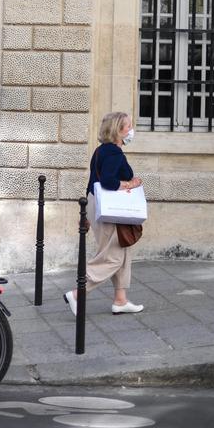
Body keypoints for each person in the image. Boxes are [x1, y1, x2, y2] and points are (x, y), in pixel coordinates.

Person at [64, 111, 144, 316]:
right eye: (127, 126)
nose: (131, 130)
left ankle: (120, 300)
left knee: (123, 251)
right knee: (113, 257)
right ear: (118, 130)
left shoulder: (101, 151)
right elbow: (107, 181)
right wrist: (131, 183)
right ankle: (77, 293)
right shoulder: (114, 153)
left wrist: (86, 216)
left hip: (97, 205)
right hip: (108, 210)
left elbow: (92, 183)